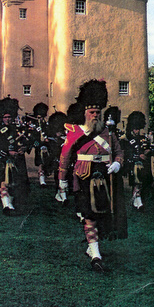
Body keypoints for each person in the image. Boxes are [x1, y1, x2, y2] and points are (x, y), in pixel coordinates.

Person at [58, 79, 127, 273]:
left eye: (98, 112)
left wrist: (117, 163)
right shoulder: (75, 132)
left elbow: (119, 152)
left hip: (105, 176)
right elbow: (65, 157)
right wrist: (62, 181)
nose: (96, 115)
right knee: (89, 216)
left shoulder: (109, 133)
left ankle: (93, 247)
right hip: (83, 176)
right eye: (92, 112)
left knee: (102, 216)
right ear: (85, 113)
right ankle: (96, 255)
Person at [120, 111, 152, 211]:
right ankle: (137, 199)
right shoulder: (125, 138)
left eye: (138, 129)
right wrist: (138, 156)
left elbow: (148, 148)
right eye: (135, 129)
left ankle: (137, 198)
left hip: (144, 163)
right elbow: (126, 152)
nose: (137, 131)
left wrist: (147, 151)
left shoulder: (143, 138)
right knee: (137, 180)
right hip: (132, 163)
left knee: (143, 181)